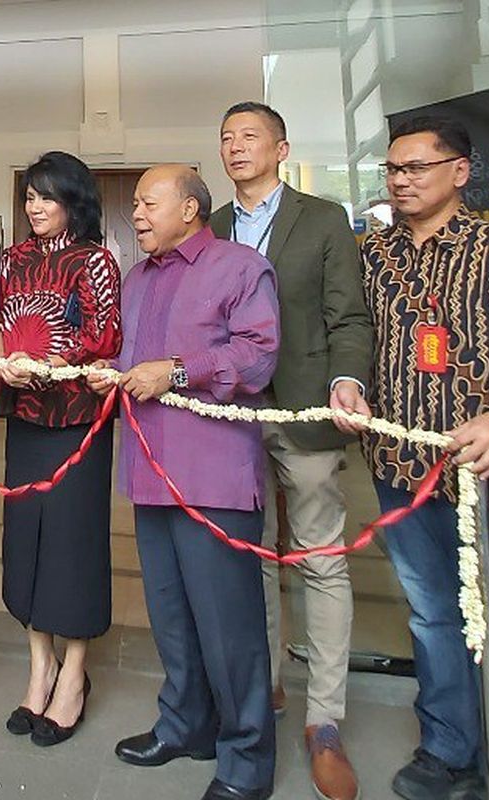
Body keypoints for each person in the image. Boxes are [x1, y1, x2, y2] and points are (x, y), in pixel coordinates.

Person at [354, 116, 489, 800]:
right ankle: (446, 748)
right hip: (402, 468)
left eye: (417, 167)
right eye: (393, 169)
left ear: (460, 172)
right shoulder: (374, 255)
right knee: (433, 615)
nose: (402, 179)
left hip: (486, 472)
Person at [90, 165, 279, 800]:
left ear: (191, 210)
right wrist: (110, 373)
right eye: (136, 204)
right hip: (149, 470)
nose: (136, 213)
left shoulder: (240, 267)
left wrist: (175, 371)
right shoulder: (137, 279)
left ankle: (247, 763)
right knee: (171, 617)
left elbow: (257, 356)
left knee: (230, 627)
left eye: (148, 203)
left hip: (213, 477)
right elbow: (132, 356)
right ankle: (186, 726)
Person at [209, 101, 373, 800]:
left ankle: (325, 720)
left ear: (281, 148)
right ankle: (264, 685)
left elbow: (349, 315)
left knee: (319, 560)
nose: (236, 147)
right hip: (231, 418)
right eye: (226, 138)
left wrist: (346, 381)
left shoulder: (324, 218)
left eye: (250, 136)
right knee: (249, 558)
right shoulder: (211, 226)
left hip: (305, 409)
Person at [0, 151, 121, 746]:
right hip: (26, 415)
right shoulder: (13, 258)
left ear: (74, 202)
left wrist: (54, 362)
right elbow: (0, 323)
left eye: (47, 197)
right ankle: (40, 667)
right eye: (30, 196)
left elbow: (104, 335)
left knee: (73, 541)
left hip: (78, 418)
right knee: (27, 536)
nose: (34, 207)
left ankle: (75, 675)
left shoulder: (97, 260)